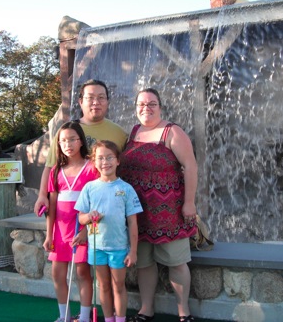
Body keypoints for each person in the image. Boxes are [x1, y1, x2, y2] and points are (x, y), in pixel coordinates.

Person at [119, 88, 198, 322]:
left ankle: (184, 313)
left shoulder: (172, 131)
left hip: (169, 211)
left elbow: (191, 167)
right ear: (136, 108)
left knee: (176, 262)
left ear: (160, 106)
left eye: (152, 103)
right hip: (138, 213)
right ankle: (146, 310)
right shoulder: (133, 132)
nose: (146, 108)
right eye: (141, 104)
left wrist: (189, 203)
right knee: (143, 263)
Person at [35, 79, 128, 215]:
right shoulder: (66, 131)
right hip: (68, 209)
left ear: (107, 101)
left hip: (106, 208)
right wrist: (42, 195)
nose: (96, 102)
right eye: (90, 98)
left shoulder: (119, 133)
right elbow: (51, 166)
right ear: (80, 102)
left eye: (101, 97)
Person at [75, 140, 143, 322]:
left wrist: (133, 251)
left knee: (119, 286)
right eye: (100, 158)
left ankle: (120, 319)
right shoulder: (89, 188)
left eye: (109, 157)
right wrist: (89, 216)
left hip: (119, 247)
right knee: (103, 286)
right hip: (97, 247)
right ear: (94, 162)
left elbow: (133, 223)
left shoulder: (126, 189)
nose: (105, 162)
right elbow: (81, 218)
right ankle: (109, 319)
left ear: (118, 161)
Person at [43, 121, 100, 322]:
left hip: (81, 228)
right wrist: (49, 234)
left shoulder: (92, 167)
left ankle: (84, 317)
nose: (68, 144)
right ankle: (64, 316)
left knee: (82, 273)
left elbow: (98, 202)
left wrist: (87, 230)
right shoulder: (56, 170)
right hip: (60, 230)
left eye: (72, 139)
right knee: (57, 274)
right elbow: (52, 204)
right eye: (63, 141)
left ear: (81, 141)